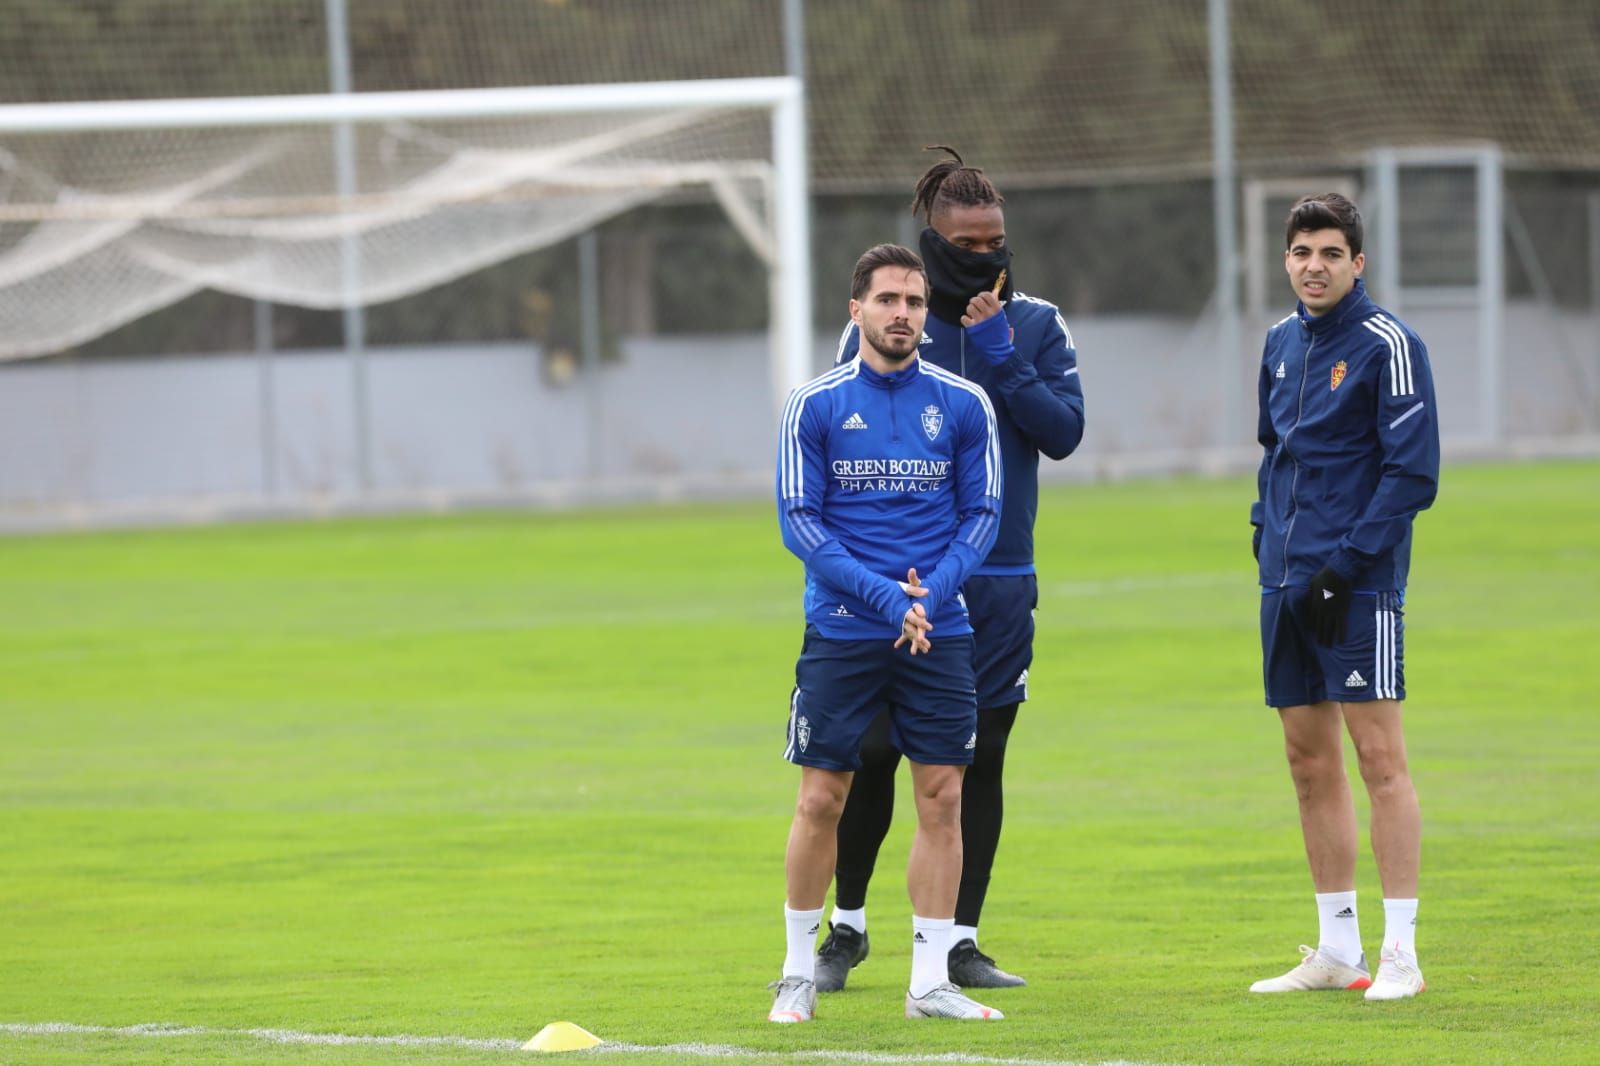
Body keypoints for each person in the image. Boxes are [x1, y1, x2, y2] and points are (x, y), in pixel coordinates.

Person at [815, 147, 1085, 992]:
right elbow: (834, 438)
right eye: (966, 243)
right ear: (931, 243)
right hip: (888, 582)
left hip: (998, 577)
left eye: (996, 240)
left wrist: (999, 348)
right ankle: (846, 928)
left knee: (981, 758)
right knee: (870, 750)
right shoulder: (888, 318)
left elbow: (1064, 432)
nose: (985, 255)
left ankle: (959, 942)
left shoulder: (1036, 323)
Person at [769, 243, 1005, 1023]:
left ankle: (929, 981)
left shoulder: (965, 403)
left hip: (937, 628)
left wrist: (929, 596)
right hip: (841, 628)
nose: (901, 313)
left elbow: (982, 516)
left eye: (912, 301)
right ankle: (798, 971)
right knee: (821, 798)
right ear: (856, 311)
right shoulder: (816, 403)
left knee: (941, 795)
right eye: (887, 300)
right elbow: (800, 525)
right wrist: (883, 597)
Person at [1248, 193, 1439, 1001]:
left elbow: (1413, 474)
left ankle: (1401, 953)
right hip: (1285, 582)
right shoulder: (1279, 343)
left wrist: (1347, 565)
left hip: (1357, 587)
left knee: (1379, 760)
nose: (1314, 266)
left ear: (1357, 262)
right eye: (1301, 252)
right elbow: (1274, 454)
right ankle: (1336, 950)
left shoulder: (1390, 344)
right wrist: (1265, 535)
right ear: (1285, 260)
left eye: (1330, 253)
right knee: (1306, 760)